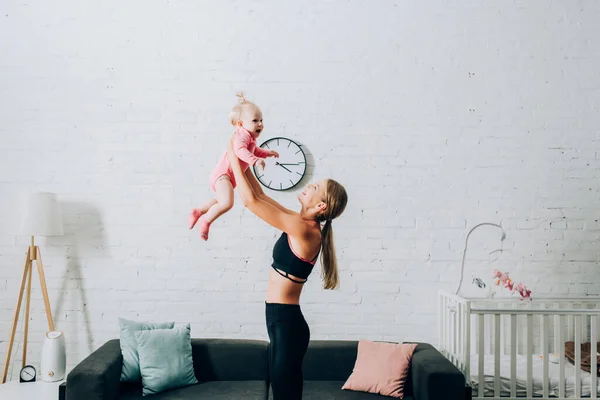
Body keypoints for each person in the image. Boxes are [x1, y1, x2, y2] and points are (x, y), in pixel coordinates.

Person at [226, 137, 348, 400]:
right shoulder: (298, 221)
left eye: (315, 187)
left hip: (285, 324)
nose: (310, 185)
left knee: (284, 395)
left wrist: (232, 156)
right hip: (282, 321)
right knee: (284, 392)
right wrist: (243, 157)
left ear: (320, 206)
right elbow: (259, 195)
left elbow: (250, 203)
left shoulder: (305, 230)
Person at [188, 94, 279, 240]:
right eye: (255, 121)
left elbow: (255, 150)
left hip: (227, 178)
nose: (260, 124)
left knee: (220, 201)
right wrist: (255, 161)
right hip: (223, 175)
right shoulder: (241, 135)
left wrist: (267, 154)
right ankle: (206, 221)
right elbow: (240, 151)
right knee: (227, 203)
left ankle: (199, 211)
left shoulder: (250, 139)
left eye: (261, 120)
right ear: (241, 124)